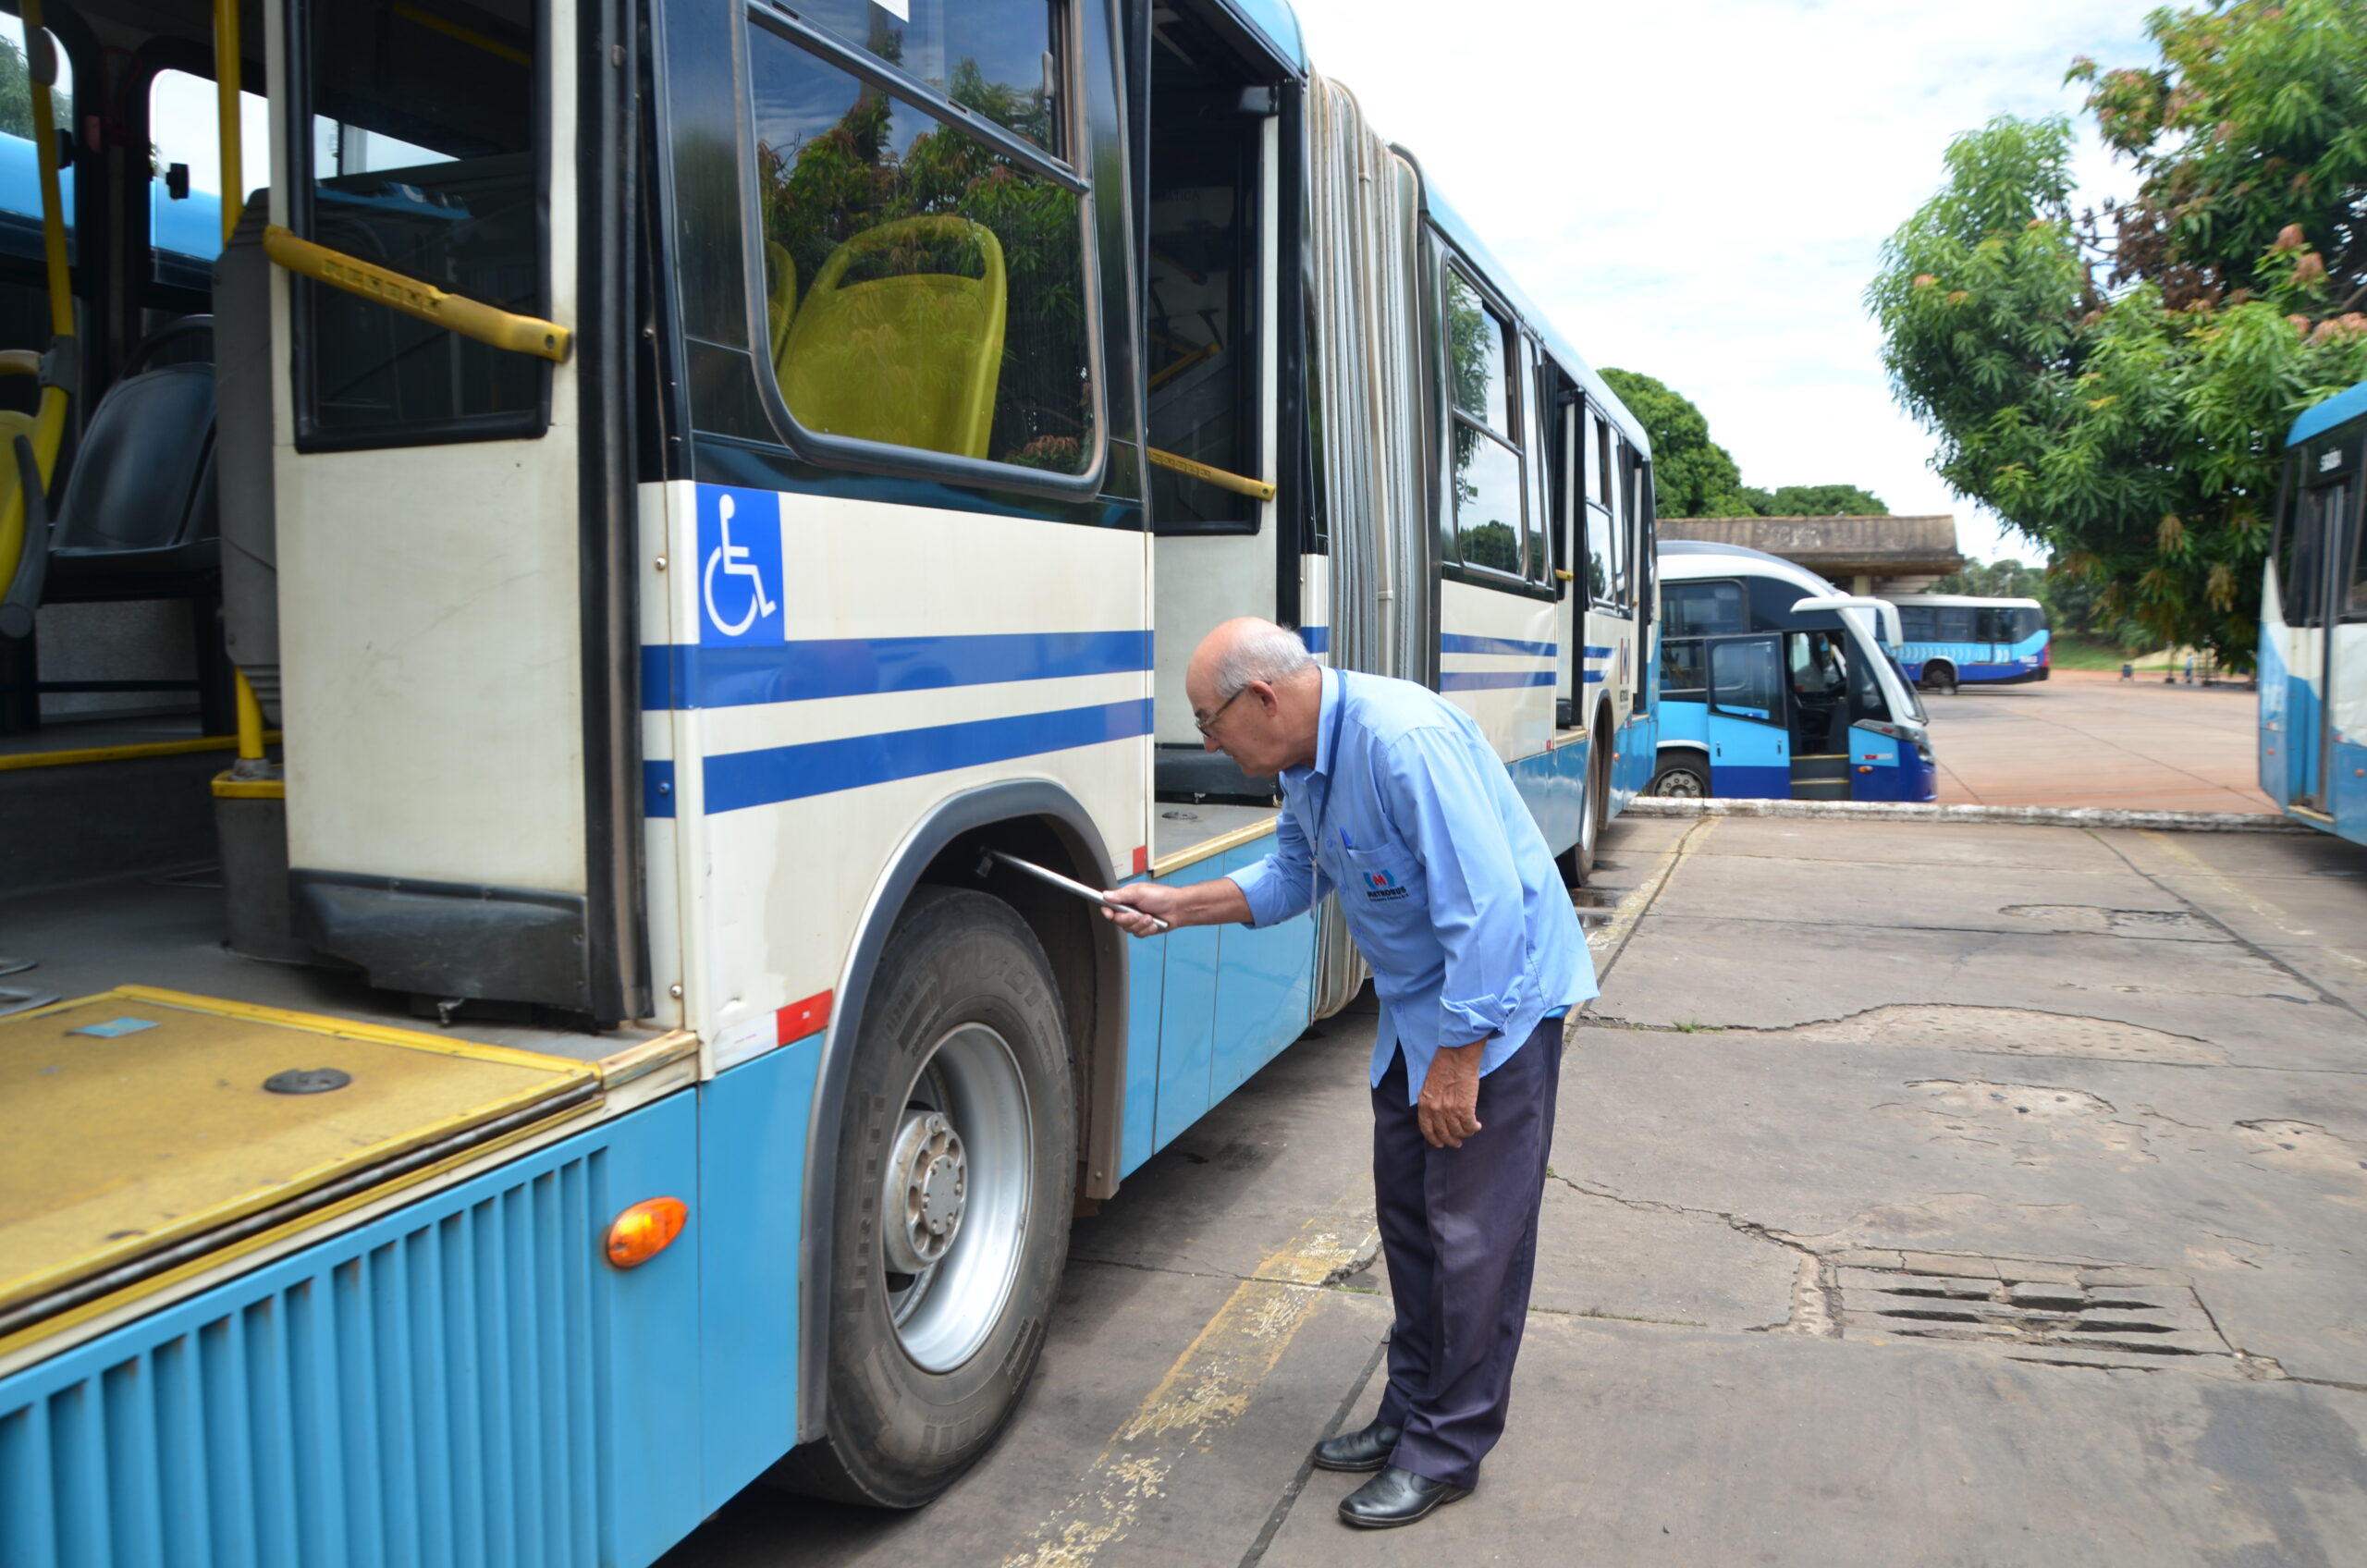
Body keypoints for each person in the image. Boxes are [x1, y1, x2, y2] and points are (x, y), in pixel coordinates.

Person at [1102, 618, 1595, 1530]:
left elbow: (1484, 910)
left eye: (1210, 723)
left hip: (1494, 1010)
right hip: (1420, 1011)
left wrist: (1459, 1062)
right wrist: (1178, 903)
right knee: (1411, 1221)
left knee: (1471, 1237)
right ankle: (1409, 1409)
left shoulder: (1402, 743)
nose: (1208, 744)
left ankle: (1446, 1448)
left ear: (1263, 698)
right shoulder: (1302, 763)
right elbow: (1296, 875)